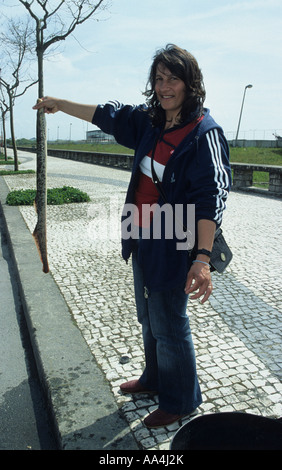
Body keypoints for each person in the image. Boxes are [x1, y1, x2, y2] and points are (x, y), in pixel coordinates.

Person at [33, 44, 231, 429]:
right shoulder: (152, 121)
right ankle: (155, 378)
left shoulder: (204, 132)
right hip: (141, 235)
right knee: (148, 316)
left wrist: (202, 260)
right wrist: (59, 103)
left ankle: (180, 399)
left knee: (170, 321)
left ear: (191, 83)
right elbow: (108, 115)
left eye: (173, 78)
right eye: (158, 78)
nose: (164, 86)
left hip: (175, 240)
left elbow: (211, 199)